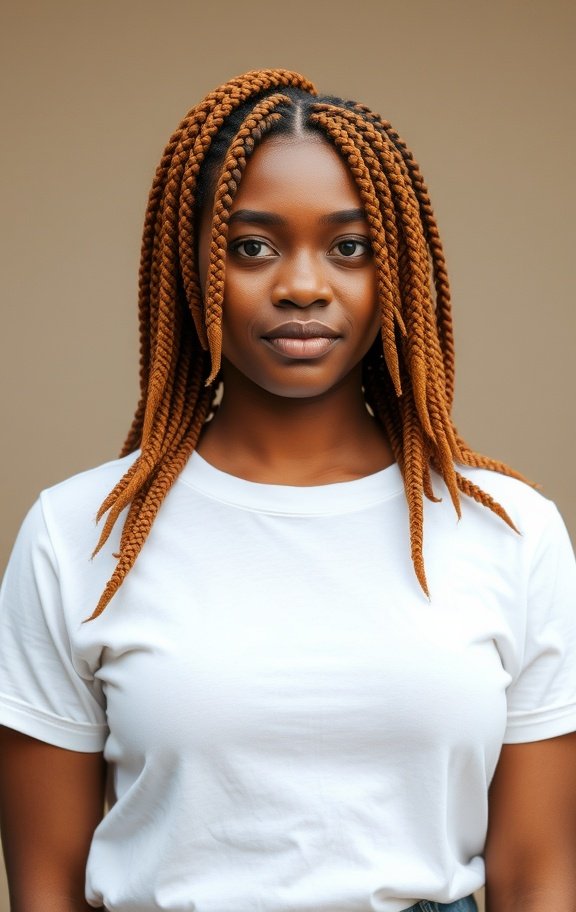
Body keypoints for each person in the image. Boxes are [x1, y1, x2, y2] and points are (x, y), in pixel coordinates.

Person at [0, 68, 575, 912]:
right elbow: (47, 889)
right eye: (251, 246)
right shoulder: (78, 531)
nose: (302, 285)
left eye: (349, 247)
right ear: (190, 268)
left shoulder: (511, 532)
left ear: (398, 271)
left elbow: (537, 878)